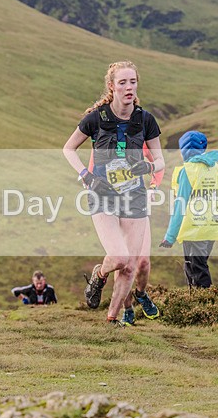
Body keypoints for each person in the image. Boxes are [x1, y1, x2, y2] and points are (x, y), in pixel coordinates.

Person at [62, 61, 164, 327]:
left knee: (132, 265)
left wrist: (149, 166)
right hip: (103, 195)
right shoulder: (96, 117)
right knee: (119, 258)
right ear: (112, 86)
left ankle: (112, 319)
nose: (129, 87)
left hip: (135, 198)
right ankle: (99, 274)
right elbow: (68, 149)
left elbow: (161, 161)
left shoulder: (146, 119)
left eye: (133, 82)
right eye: (123, 82)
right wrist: (86, 176)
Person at [159, 131, 218, 288]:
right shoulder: (216, 168)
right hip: (212, 229)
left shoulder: (188, 171)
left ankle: (206, 306)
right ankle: (199, 304)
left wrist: (170, 236)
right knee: (198, 267)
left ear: (184, 151)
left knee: (197, 271)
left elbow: (180, 205)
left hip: (195, 230)